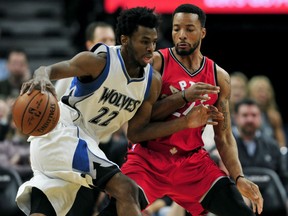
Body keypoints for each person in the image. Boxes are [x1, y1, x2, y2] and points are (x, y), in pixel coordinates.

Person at [15, 6, 223, 216]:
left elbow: (136, 133)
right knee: (126, 189)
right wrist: (41, 75)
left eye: (153, 42)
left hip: (77, 145)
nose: (151, 48)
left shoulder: (151, 82)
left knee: (47, 208)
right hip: (62, 133)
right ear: (125, 40)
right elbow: (49, 69)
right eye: (144, 42)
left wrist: (185, 122)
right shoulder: (100, 61)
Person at [100, 3, 263, 216]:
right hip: (149, 159)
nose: (181, 35)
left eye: (189, 29)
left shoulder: (219, 77)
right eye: (176, 29)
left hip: (192, 163)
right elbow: (138, 127)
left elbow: (224, 136)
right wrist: (183, 101)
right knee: (115, 210)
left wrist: (239, 176)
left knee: (239, 210)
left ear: (202, 32)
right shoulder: (156, 63)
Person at [233, 98, 288, 192]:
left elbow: (284, 178)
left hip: (271, 202)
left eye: (254, 115)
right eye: (245, 115)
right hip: (238, 200)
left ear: (261, 117)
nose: (250, 119)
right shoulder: (225, 146)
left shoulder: (272, 146)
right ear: (236, 117)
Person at [55, 21, 116, 100]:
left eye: (112, 40)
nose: (109, 45)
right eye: (103, 40)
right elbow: (54, 103)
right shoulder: (71, 74)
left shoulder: (122, 73)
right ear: (90, 45)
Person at [247, 75, 287, 148]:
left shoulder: (274, 116)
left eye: (267, 90)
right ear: (250, 92)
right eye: (260, 90)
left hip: (270, 155)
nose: (263, 94)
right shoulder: (243, 114)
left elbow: (282, 144)